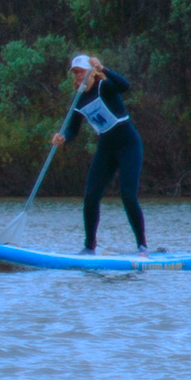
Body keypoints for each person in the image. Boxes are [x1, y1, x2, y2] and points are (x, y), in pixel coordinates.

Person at [58, 51, 149, 255]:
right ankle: (89, 247)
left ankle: (142, 245)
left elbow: (125, 86)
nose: (78, 76)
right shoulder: (78, 101)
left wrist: (103, 69)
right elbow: (72, 130)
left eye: (81, 72)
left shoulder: (104, 87)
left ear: (91, 73)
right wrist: (63, 138)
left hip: (128, 145)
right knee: (90, 195)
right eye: (75, 73)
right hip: (106, 148)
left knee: (127, 194)